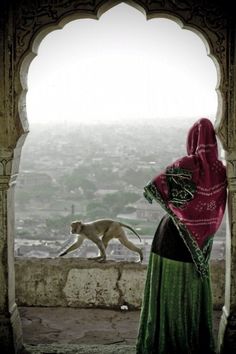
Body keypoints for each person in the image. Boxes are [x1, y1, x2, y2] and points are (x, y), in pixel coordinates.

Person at [136, 118, 227, 354]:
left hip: (171, 237)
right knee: (191, 292)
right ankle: (190, 342)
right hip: (200, 244)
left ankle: (164, 343)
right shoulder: (221, 171)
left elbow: (153, 186)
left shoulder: (186, 164)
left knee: (168, 292)